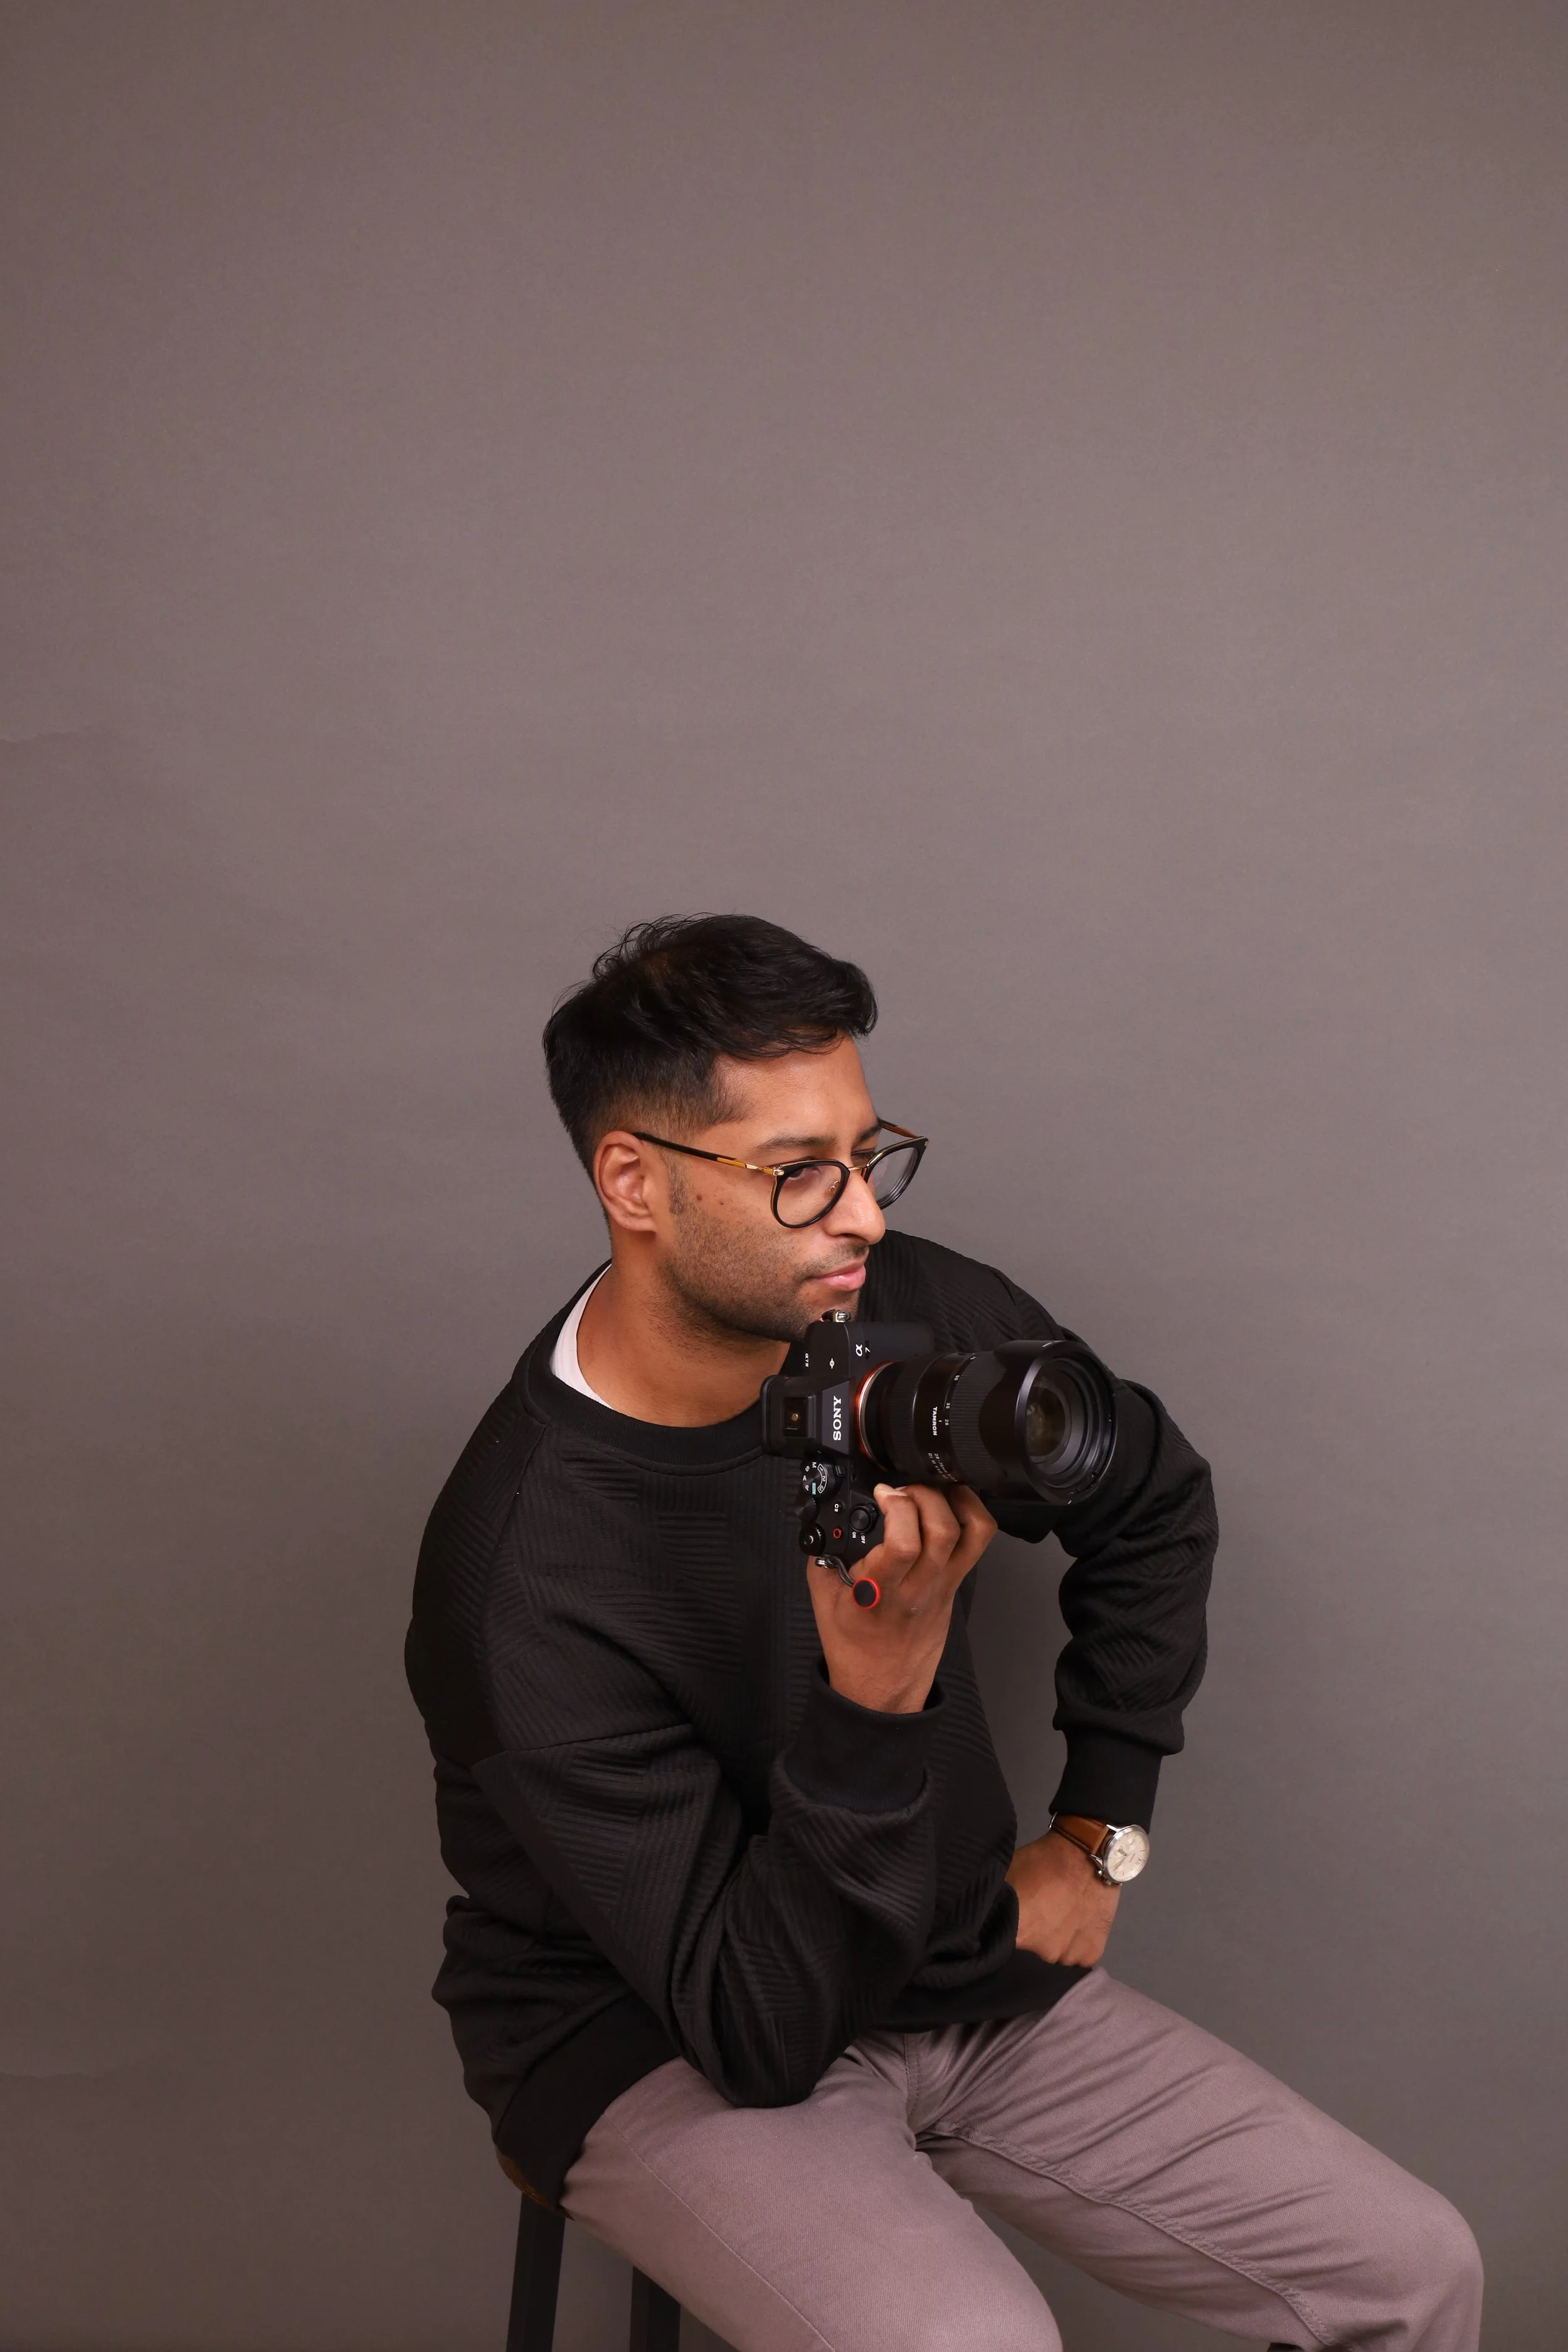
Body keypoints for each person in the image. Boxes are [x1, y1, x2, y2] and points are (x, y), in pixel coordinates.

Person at [406, 914, 1481, 2352]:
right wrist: (876, 1691)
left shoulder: (903, 1313)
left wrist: (1100, 1830)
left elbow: (1152, 1499)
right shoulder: (521, 1568)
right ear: (633, 1182)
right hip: (660, 2036)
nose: (860, 1214)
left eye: (869, 1155)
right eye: (798, 1172)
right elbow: (758, 2031)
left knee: (1411, 2273)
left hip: (953, 1960)